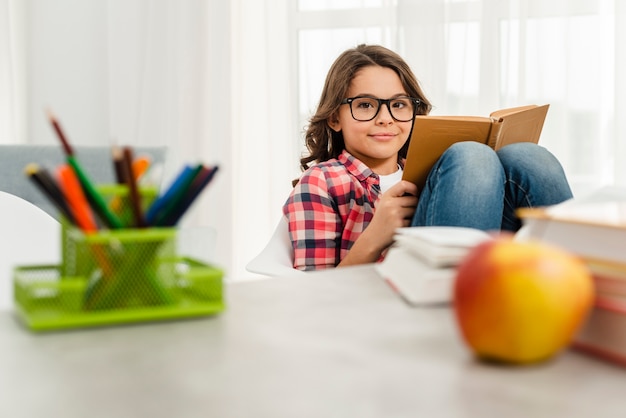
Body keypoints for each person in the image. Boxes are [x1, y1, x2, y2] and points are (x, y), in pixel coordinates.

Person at [283, 44, 573, 271]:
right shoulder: (321, 182)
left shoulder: (430, 173)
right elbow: (316, 296)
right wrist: (375, 237)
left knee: (527, 156)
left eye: (398, 104)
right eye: (365, 105)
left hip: (483, 272)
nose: (385, 119)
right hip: (393, 301)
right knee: (471, 155)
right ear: (335, 118)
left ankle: (585, 290)